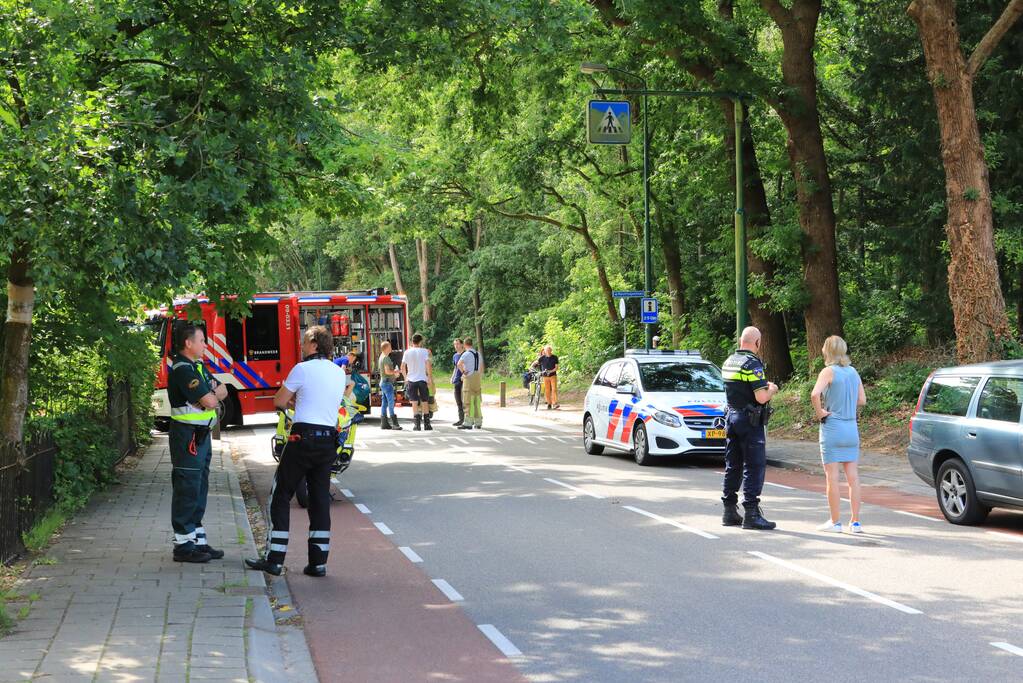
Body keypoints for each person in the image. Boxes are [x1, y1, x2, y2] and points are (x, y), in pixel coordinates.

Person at [246, 325, 346, 577]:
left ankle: (275, 559)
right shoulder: (338, 372)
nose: (301, 346)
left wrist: (293, 400)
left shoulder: (301, 369)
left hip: (303, 437)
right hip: (327, 442)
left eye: (303, 342)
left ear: (313, 343)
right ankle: (318, 563)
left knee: (280, 495)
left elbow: (278, 400)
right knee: (320, 500)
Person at [167, 322, 229, 563]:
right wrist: (209, 397)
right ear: (188, 343)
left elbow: (222, 391)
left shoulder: (199, 367)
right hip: (187, 438)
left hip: (201, 437)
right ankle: (183, 547)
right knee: (187, 488)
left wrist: (209, 396)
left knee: (200, 487)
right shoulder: (184, 370)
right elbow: (213, 401)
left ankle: (198, 541)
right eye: (202, 340)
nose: (206, 344)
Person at [721, 326, 780, 530]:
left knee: (733, 464)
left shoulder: (729, 361)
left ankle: (729, 511)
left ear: (740, 341)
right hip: (749, 420)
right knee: (754, 465)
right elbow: (761, 396)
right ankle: (752, 514)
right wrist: (771, 388)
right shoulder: (752, 363)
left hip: (732, 418)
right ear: (757, 343)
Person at [811, 335, 867, 533]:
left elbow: (814, 394)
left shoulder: (828, 371)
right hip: (851, 427)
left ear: (827, 351)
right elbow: (862, 400)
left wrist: (820, 413)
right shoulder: (853, 372)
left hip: (833, 427)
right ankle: (856, 522)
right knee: (853, 477)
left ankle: (835, 522)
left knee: (832, 477)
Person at [401, 333, 433, 431]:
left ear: (412, 341)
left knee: (414, 402)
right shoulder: (424, 351)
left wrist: (406, 377)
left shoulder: (407, 352)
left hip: (411, 379)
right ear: (420, 342)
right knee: (424, 401)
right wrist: (429, 377)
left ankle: (417, 425)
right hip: (422, 379)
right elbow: (428, 365)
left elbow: (402, 367)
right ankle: (427, 424)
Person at [457, 337, 483, 430]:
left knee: (467, 400)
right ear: (472, 344)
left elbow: (459, 364)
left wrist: (463, 372)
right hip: (477, 377)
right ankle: (478, 421)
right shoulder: (478, 354)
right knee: (476, 400)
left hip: (469, 378)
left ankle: (468, 422)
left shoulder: (466, 354)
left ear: (464, 345)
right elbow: (481, 367)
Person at [377, 341, 402, 430]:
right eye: (390, 346)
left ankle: (384, 423)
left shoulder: (381, 356)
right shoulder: (386, 358)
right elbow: (387, 371)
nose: (391, 348)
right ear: (386, 348)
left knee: (384, 403)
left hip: (383, 382)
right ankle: (395, 424)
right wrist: (396, 372)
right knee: (391, 403)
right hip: (387, 383)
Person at [536, 345, 560, 409]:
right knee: (547, 390)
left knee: (554, 389)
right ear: (545, 351)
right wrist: (531, 367)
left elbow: (556, 367)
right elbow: (536, 363)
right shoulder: (542, 358)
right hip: (545, 376)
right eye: (547, 350)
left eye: (549, 350)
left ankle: (555, 403)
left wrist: (551, 371)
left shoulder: (555, 357)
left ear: (551, 351)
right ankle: (549, 403)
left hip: (553, 375)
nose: (548, 352)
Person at [451, 338, 465, 426]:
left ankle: (468, 419)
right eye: (455, 344)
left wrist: (464, 374)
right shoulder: (455, 356)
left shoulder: (465, 354)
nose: (456, 346)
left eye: (458, 344)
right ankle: (461, 419)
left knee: (465, 400)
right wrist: (452, 377)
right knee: (458, 400)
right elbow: (455, 367)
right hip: (457, 380)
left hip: (464, 379)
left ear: (462, 345)